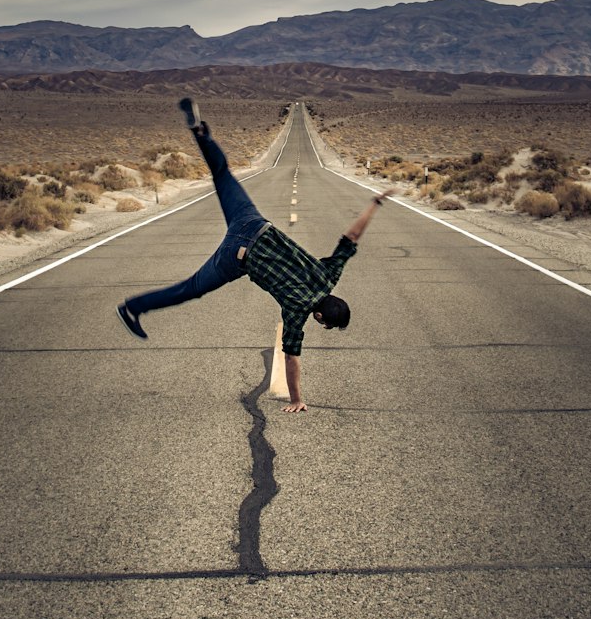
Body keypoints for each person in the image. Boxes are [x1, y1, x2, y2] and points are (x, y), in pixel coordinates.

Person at [116, 99, 395, 413]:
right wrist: (297, 399)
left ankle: (199, 131)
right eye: (325, 325)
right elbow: (291, 358)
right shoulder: (297, 310)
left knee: (223, 175)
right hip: (236, 257)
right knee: (192, 287)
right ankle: (132, 308)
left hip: (253, 222)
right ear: (320, 316)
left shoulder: (328, 275)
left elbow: (350, 238)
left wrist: (375, 204)